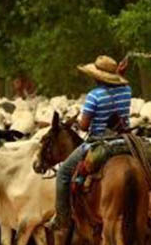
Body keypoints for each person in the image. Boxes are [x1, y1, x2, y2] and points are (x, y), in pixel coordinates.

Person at [44, 55, 132, 233]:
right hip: (125, 140)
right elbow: (122, 87)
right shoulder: (126, 91)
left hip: (98, 141)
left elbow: (84, 125)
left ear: (96, 77)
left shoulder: (94, 96)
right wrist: (120, 75)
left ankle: (62, 218)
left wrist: (77, 123)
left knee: (62, 174)